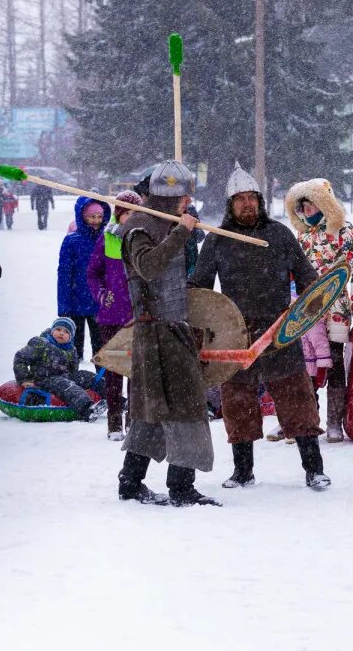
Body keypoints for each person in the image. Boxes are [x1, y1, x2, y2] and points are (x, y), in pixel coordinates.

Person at [190, 166, 330, 491]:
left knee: (297, 399)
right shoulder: (217, 241)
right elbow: (200, 285)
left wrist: (314, 298)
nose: (247, 204)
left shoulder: (279, 235)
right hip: (236, 332)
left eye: (252, 198)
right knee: (238, 402)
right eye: (240, 200)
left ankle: (314, 469)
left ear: (261, 201)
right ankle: (243, 472)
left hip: (280, 330)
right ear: (230, 205)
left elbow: (306, 273)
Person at [116, 160, 217, 506]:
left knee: (154, 409)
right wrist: (180, 233)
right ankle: (181, 486)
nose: (188, 203)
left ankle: (131, 482)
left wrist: (186, 231)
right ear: (166, 197)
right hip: (155, 328)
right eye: (183, 198)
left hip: (174, 325)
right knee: (182, 406)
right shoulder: (139, 227)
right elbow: (149, 266)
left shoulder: (167, 222)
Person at [284, 177, 353, 443]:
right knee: (307, 364)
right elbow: (293, 271)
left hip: (337, 305)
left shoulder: (342, 230)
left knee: (332, 362)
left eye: (311, 206)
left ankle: (335, 421)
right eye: (302, 208)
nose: (306, 212)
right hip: (308, 306)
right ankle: (308, 420)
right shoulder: (302, 235)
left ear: (325, 204)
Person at [87, 189, 142, 440]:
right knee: (114, 370)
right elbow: (93, 273)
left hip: (138, 316)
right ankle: (114, 423)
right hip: (111, 317)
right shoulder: (107, 239)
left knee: (136, 370)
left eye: (135, 213)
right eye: (126, 213)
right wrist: (101, 294)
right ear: (118, 213)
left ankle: (133, 420)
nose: (130, 218)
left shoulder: (145, 240)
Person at [12, 317, 107, 423]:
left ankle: (116, 400)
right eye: (58, 329)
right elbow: (20, 357)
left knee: (88, 376)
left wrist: (79, 378)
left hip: (65, 377)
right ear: (52, 330)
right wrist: (24, 379)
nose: (61, 333)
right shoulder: (41, 344)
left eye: (66, 332)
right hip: (44, 379)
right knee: (68, 387)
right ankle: (87, 409)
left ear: (71, 337)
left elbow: (73, 369)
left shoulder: (71, 349)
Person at [58, 196, 110, 362]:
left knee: (101, 348)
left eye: (99, 217)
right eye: (92, 217)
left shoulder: (107, 239)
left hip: (99, 302)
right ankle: (74, 383)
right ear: (83, 217)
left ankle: (102, 385)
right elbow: (64, 274)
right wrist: (64, 305)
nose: (96, 221)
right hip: (75, 303)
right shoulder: (72, 241)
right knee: (73, 350)